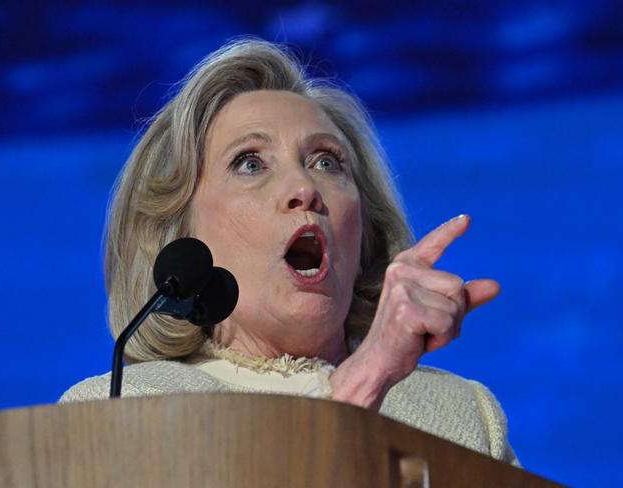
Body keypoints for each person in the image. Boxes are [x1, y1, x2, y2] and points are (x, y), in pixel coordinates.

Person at [61, 38, 518, 465]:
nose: (304, 188)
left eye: (326, 162)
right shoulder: (116, 411)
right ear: (180, 239)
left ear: (364, 238)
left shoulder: (463, 416)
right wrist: (359, 389)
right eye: (250, 163)